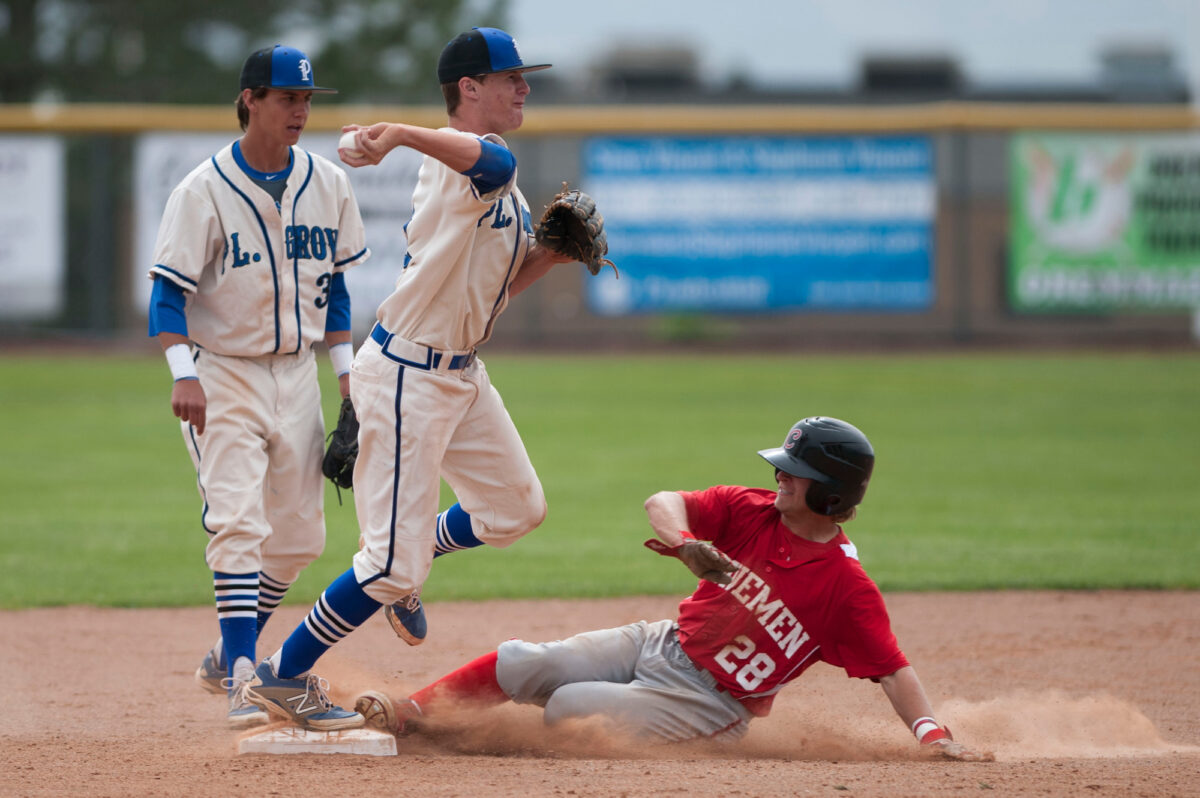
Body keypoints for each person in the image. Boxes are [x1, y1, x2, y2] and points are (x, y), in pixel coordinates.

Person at [245, 27, 574, 730]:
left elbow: (495, 287)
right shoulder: (468, 161)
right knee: (392, 566)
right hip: (405, 378)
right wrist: (396, 132)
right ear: (469, 89)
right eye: (510, 78)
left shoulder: (498, 183)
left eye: (524, 77)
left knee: (516, 510)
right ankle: (282, 675)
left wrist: (549, 256)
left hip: (462, 375)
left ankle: (411, 548)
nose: (524, 87)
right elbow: (487, 158)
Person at [351, 417, 994, 761]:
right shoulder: (752, 509)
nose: (780, 477)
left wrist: (932, 735)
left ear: (830, 493)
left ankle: (472, 738)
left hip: (711, 705)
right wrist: (686, 543)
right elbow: (663, 501)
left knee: (570, 707)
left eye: (795, 473)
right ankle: (416, 714)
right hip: (662, 643)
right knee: (525, 660)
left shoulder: (846, 588)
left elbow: (892, 669)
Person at [148, 44, 369, 729]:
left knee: (300, 537)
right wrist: (184, 374)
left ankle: (225, 653)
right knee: (238, 521)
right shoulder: (202, 191)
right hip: (223, 374)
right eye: (286, 98)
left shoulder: (328, 183)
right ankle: (244, 675)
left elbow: (335, 291)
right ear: (250, 99)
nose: (300, 110)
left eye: (306, 100)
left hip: (297, 373)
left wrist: (347, 379)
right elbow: (166, 296)